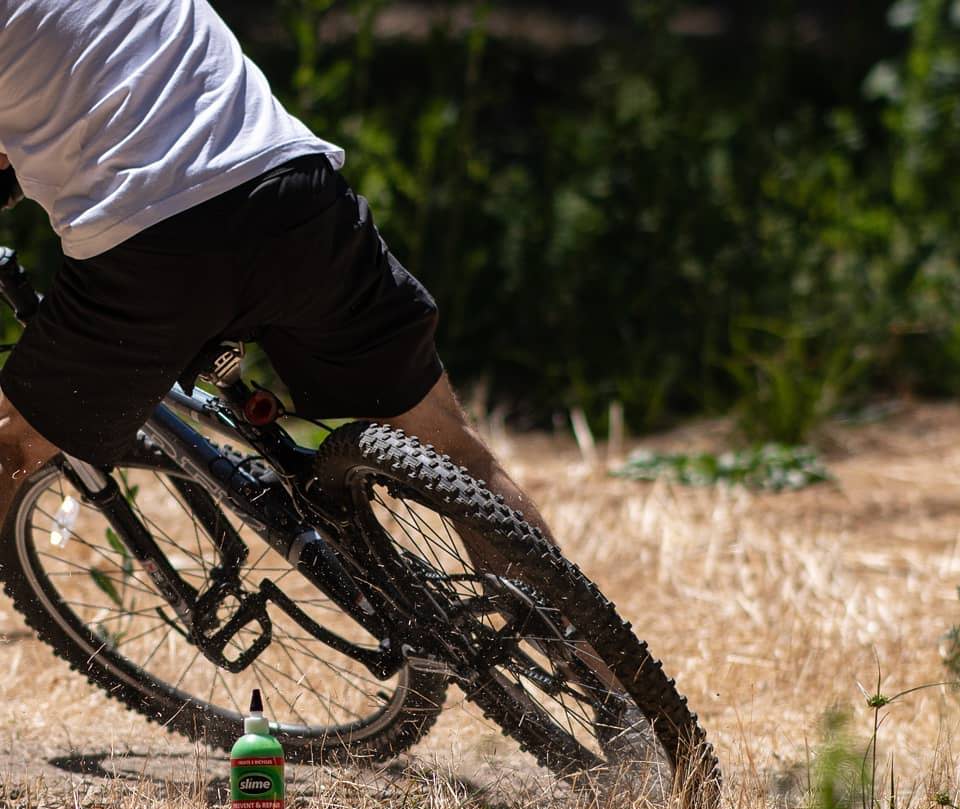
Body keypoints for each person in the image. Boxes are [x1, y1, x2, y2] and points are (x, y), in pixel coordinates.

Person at [0, 0, 551, 548]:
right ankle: (579, 635)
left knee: (12, 449)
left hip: (145, 248)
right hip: (291, 190)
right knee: (448, 446)